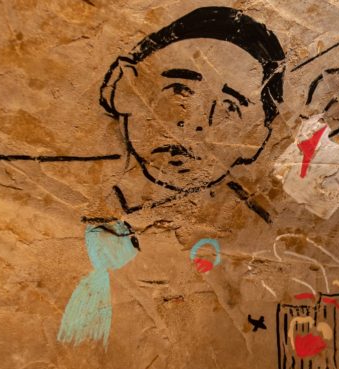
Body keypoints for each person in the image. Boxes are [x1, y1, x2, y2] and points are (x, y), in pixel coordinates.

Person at [59, 7, 286, 346]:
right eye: (179, 89)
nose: (195, 122)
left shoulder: (253, 234)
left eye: (230, 107)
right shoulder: (55, 190)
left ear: (256, 139)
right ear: (124, 85)